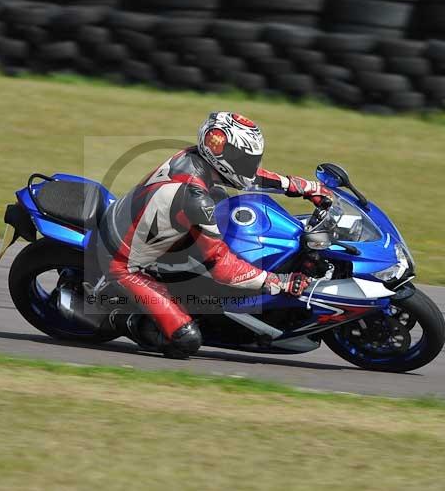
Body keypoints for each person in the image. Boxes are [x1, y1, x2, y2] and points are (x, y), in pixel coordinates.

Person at [99, 112, 333, 358]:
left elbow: (248, 177)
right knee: (185, 341)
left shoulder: (196, 158)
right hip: (124, 265)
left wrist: (300, 186)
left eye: (251, 159)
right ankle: (120, 318)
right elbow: (221, 266)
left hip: (150, 231)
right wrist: (278, 282)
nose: (250, 166)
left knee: (223, 202)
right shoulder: (195, 198)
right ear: (220, 153)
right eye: (245, 159)